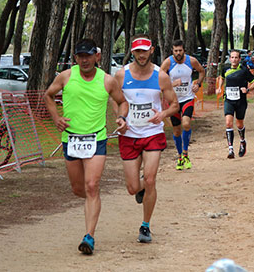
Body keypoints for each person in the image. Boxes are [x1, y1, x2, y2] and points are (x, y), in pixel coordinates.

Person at [43, 39, 129, 255]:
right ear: (75, 58)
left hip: (96, 139)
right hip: (71, 139)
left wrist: (121, 117)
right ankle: (94, 202)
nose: (84, 60)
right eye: (80, 56)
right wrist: (56, 118)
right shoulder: (66, 76)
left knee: (92, 185)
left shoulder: (107, 81)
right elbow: (48, 95)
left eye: (88, 55)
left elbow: (122, 101)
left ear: (96, 57)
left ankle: (89, 236)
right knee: (78, 189)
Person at [114, 35, 179, 243]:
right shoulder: (121, 75)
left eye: (145, 51)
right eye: (137, 52)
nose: (141, 55)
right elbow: (115, 100)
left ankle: (145, 226)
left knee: (150, 179)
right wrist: (120, 118)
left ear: (151, 50)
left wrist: (163, 115)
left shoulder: (161, 76)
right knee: (133, 187)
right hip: (129, 134)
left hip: (152, 133)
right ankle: (140, 189)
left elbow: (175, 104)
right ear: (132, 53)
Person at [160, 39, 205, 170]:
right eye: (176, 51)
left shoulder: (191, 61)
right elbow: (159, 79)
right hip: (173, 100)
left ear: (184, 50)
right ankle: (180, 157)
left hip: (187, 98)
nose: (178, 53)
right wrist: (172, 84)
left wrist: (198, 84)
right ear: (172, 51)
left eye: (180, 50)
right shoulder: (168, 62)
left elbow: (201, 71)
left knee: (186, 123)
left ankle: (186, 153)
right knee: (177, 130)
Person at [216, 50, 254, 159]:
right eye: (232, 57)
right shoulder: (225, 69)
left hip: (241, 101)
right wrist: (219, 87)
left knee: (239, 124)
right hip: (229, 100)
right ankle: (230, 150)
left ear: (239, 59)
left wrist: (248, 89)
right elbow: (222, 77)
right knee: (228, 123)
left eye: (236, 58)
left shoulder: (244, 70)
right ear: (229, 59)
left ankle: (242, 142)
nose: (234, 59)